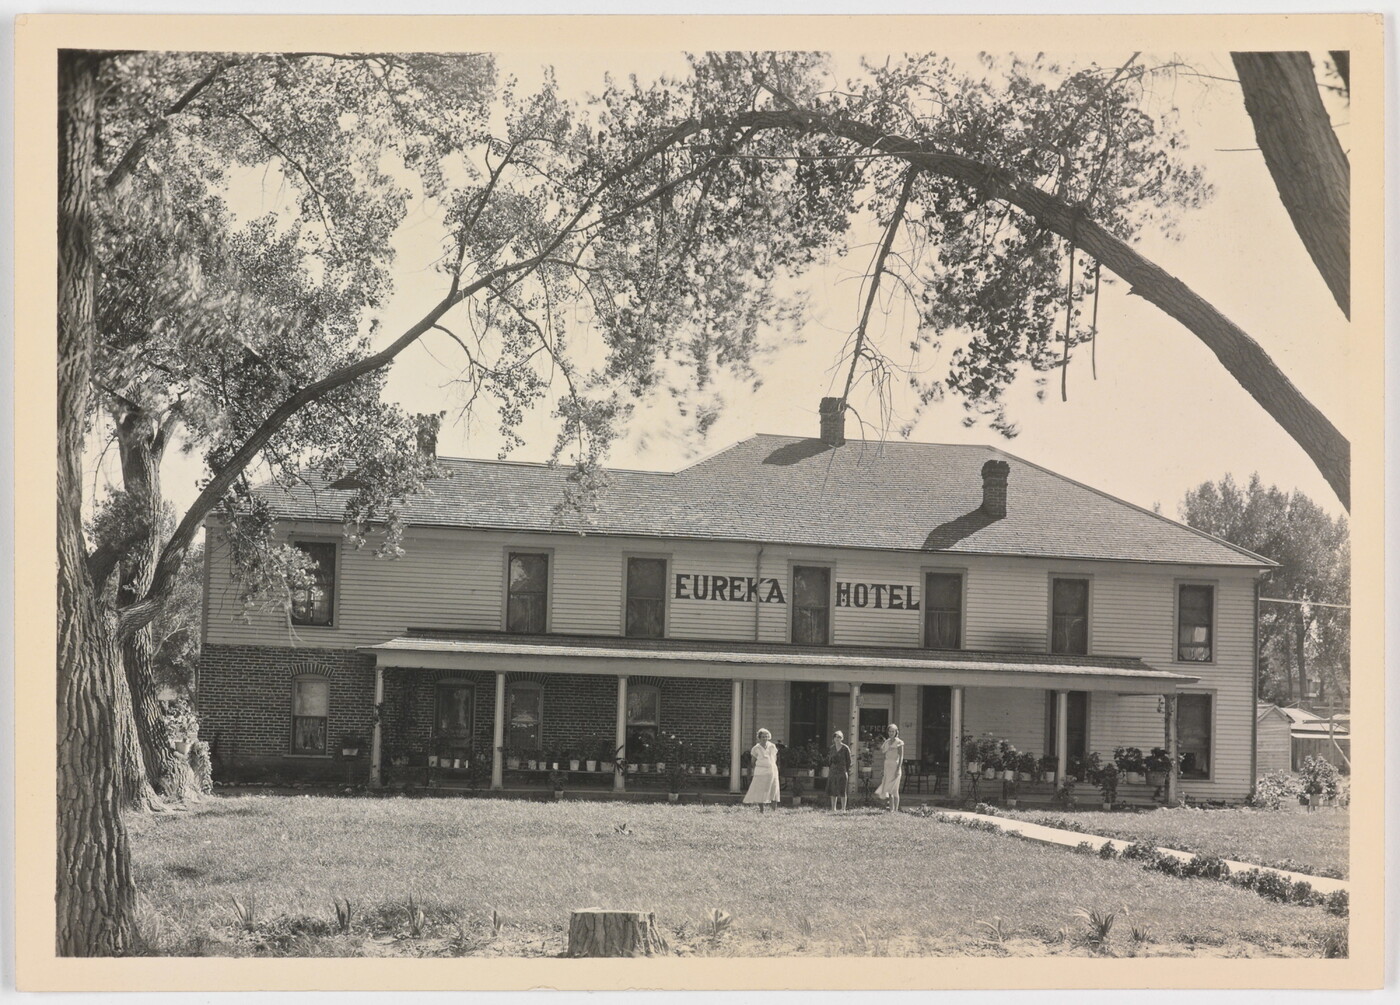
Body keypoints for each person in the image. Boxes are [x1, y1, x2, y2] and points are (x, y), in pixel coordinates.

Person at [743, 728, 781, 812]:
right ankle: (761, 810)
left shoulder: (772, 746)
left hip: (772, 771)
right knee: (760, 790)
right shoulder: (756, 748)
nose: (765, 738)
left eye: (766, 736)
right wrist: (758, 768)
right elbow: (753, 761)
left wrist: (772, 766)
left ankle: (774, 810)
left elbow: (775, 758)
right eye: (763, 737)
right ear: (759, 737)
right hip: (761, 771)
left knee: (773, 789)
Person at [873, 723, 905, 812]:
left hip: (895, 766)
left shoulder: (899, 742)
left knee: (894, 789)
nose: (891, 733)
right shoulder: (886, 742)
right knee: (888, 790)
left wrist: (898, 768)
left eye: (893, 731)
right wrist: (883, 769)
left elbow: (901, 756)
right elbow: (884, 755)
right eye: (890, 731)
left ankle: (896, 810)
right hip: (887, 767)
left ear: (896, 732)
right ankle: (891, 809)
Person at [827, 730, 852, 811]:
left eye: (839, 737)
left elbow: (849, 761)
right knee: (833, 790)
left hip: (842, 771)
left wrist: (846, 770)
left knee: (842, 790)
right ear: (833, 738)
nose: (837, 739)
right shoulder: (832, 748)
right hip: (833, 771)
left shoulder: (845, 748)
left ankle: (843, 809)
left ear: (842, 738)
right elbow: (829, 760)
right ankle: (833, 808)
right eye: (836, 737)